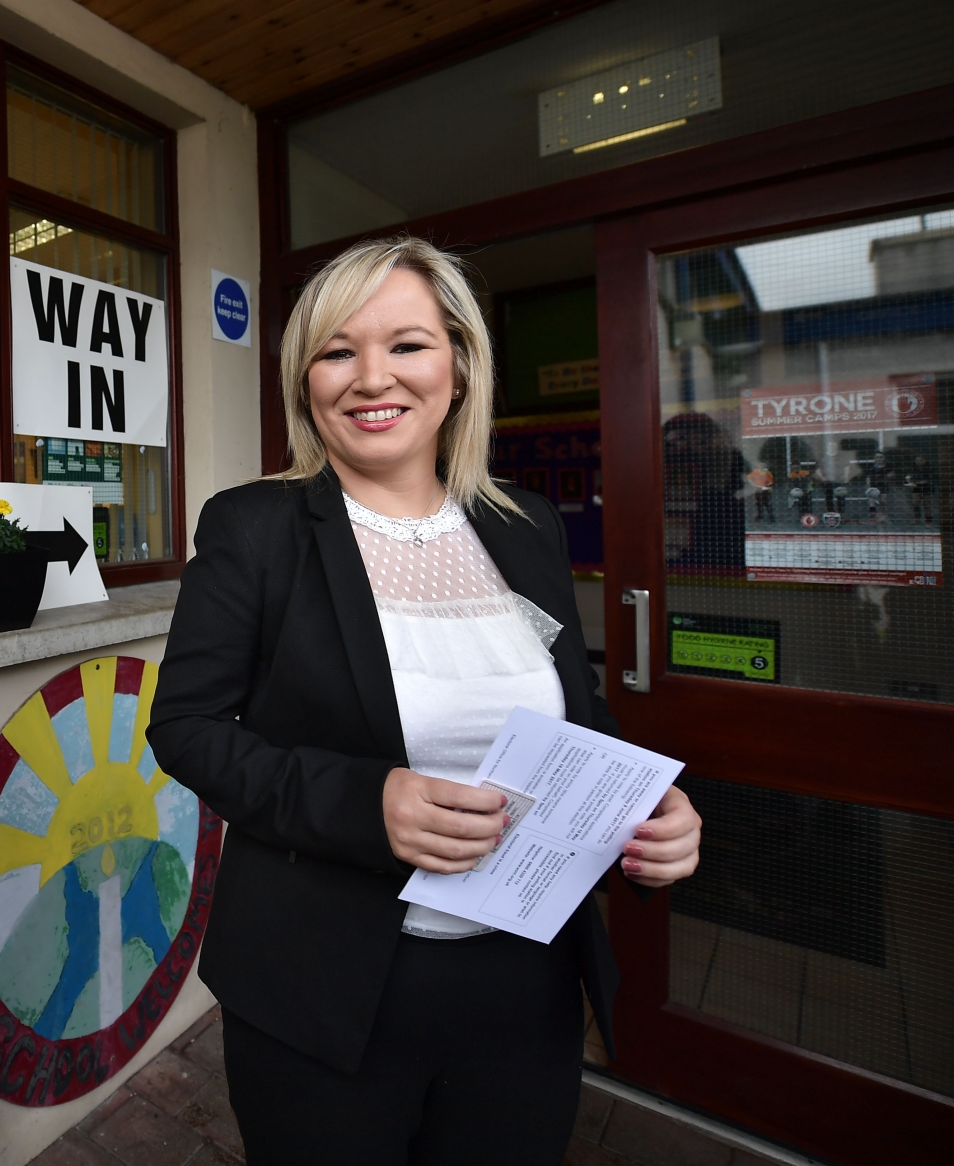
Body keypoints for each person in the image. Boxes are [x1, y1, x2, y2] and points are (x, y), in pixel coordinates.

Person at [146, 238, 702, 1166]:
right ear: (305, 378)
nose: (372, 378)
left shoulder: (524, 528)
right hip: (325, 988)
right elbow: (188, 729)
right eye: (337, 351)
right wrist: (368, 803)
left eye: (406, 344)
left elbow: (579, 714)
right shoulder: (256, 527)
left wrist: (645, 809)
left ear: (458, 365)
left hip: (523, 980)